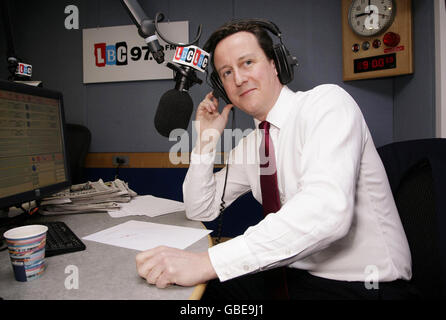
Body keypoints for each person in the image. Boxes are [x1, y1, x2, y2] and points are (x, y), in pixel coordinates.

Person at [135, 20, 417, 299]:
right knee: (201, 297)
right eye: (227, 72)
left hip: (364, 285)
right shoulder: (250, 146)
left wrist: (208, 262)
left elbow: (327, 212)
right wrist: (205, 142)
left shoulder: (327, 105)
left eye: (247, 63)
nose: (239, 78)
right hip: (292, 276)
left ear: (275, 64)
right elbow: (200, 209)